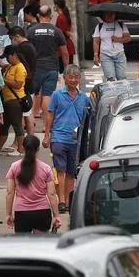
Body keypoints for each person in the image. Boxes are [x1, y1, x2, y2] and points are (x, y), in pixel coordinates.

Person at [43, 65, 88, 213]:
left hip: (76, 140)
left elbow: (89, 118)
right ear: (65, 78)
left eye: (76, 77)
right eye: (71, 77)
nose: (74, 80)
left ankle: (68, 201)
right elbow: (50, 114)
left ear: (79, 79)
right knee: (60, 170)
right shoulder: (57, 95)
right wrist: (47, 135)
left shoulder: (83, 98)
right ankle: (61, 200)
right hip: (58, 137)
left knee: (70, 172)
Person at [5, 135, 60, 234]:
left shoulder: (14, 167)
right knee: (40, 246)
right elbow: (51, 194)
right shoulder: (46, 168)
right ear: (38, 148)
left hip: (22, 212)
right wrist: (56, 215)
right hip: (42, 211)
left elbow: (10, 192)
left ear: (23, 147)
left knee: (23, 247)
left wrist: (8, 214)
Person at [26, 6, 69, 127]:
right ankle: (47, 125)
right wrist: (66, 69)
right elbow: (64, 52)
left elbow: (26, 49)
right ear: (50, 16)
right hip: (51, 67)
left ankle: (31, 122)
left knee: (33, 95)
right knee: (47, 95)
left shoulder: (31, 31)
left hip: (35, 68)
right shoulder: (56, 31)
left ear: (38, 16)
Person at [0, 45, 29, 156]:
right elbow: (4, 65)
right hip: (7, 100)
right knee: (4, 125)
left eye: (8, 56)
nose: (7, 59)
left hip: (15, 101)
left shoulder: (20, 68)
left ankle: (21, 149)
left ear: (14, 55)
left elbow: (18, 84)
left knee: (17, 125)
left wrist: (3, 80)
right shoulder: (10, 66)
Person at [92, 10, 132, 81]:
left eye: (112, 14)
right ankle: (112, 91)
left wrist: (118, 39)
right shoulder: (100, 26)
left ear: (115, 15)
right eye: (107, 14)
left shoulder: (121, 25)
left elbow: (128, 38)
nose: (110, 16)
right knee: (110, 78)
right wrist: (95, 55)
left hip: (120, 55)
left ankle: (121, 92)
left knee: (121, 78)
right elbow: (96, 41)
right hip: (105, 55)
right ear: (103, 16)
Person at [53, 0, 75, 67]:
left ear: (56, 5)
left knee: (65, 71)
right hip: (68, 46)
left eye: (54, 4)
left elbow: (64, 33)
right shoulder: (64, 16)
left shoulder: (60, 18)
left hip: (64, 48)